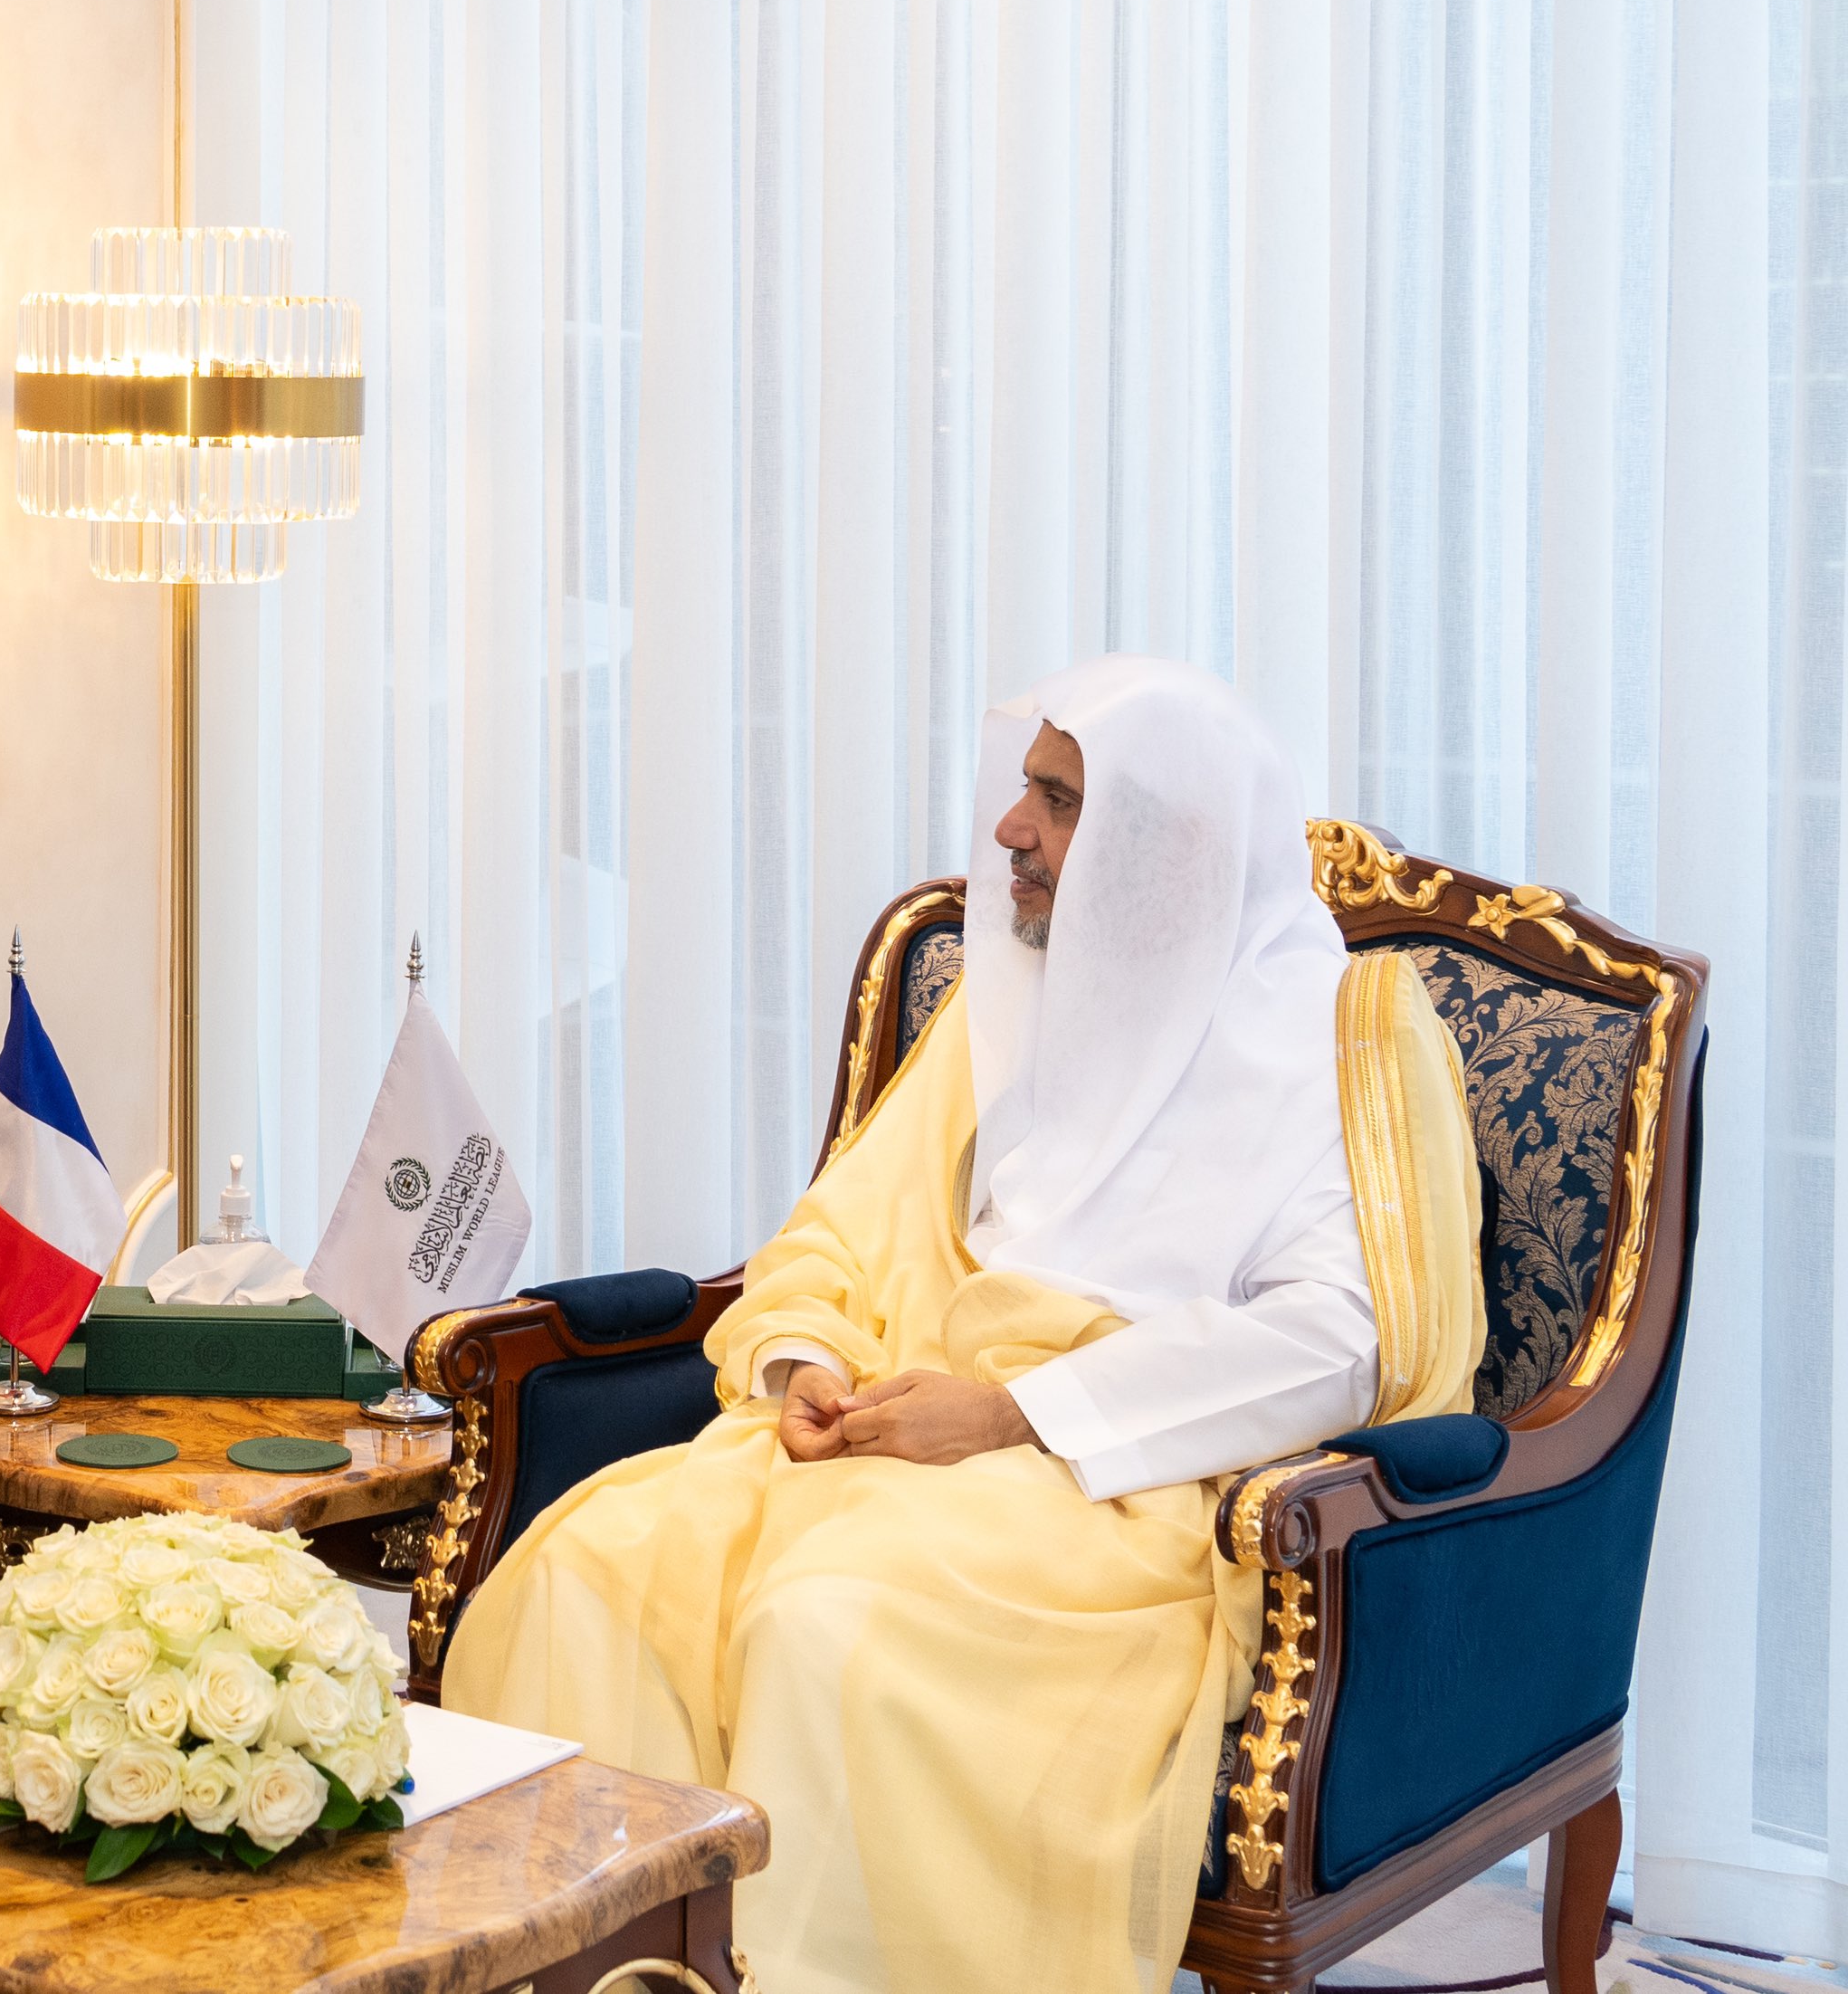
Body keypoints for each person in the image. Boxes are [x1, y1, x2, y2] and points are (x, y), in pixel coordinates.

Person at [443, 654, 1486, 1994]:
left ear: (1158, 845)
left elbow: (1342, 1341)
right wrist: (803, 1355)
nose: (1010, 830)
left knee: (825, 1626)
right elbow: (837, 1223)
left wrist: (1011, 1414)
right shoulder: (1005, 1004)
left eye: (1055, 801)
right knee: (578, 1573)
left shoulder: (1343, 1038)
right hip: (886, 1429)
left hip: (1117, 1483)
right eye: (1026, 791)